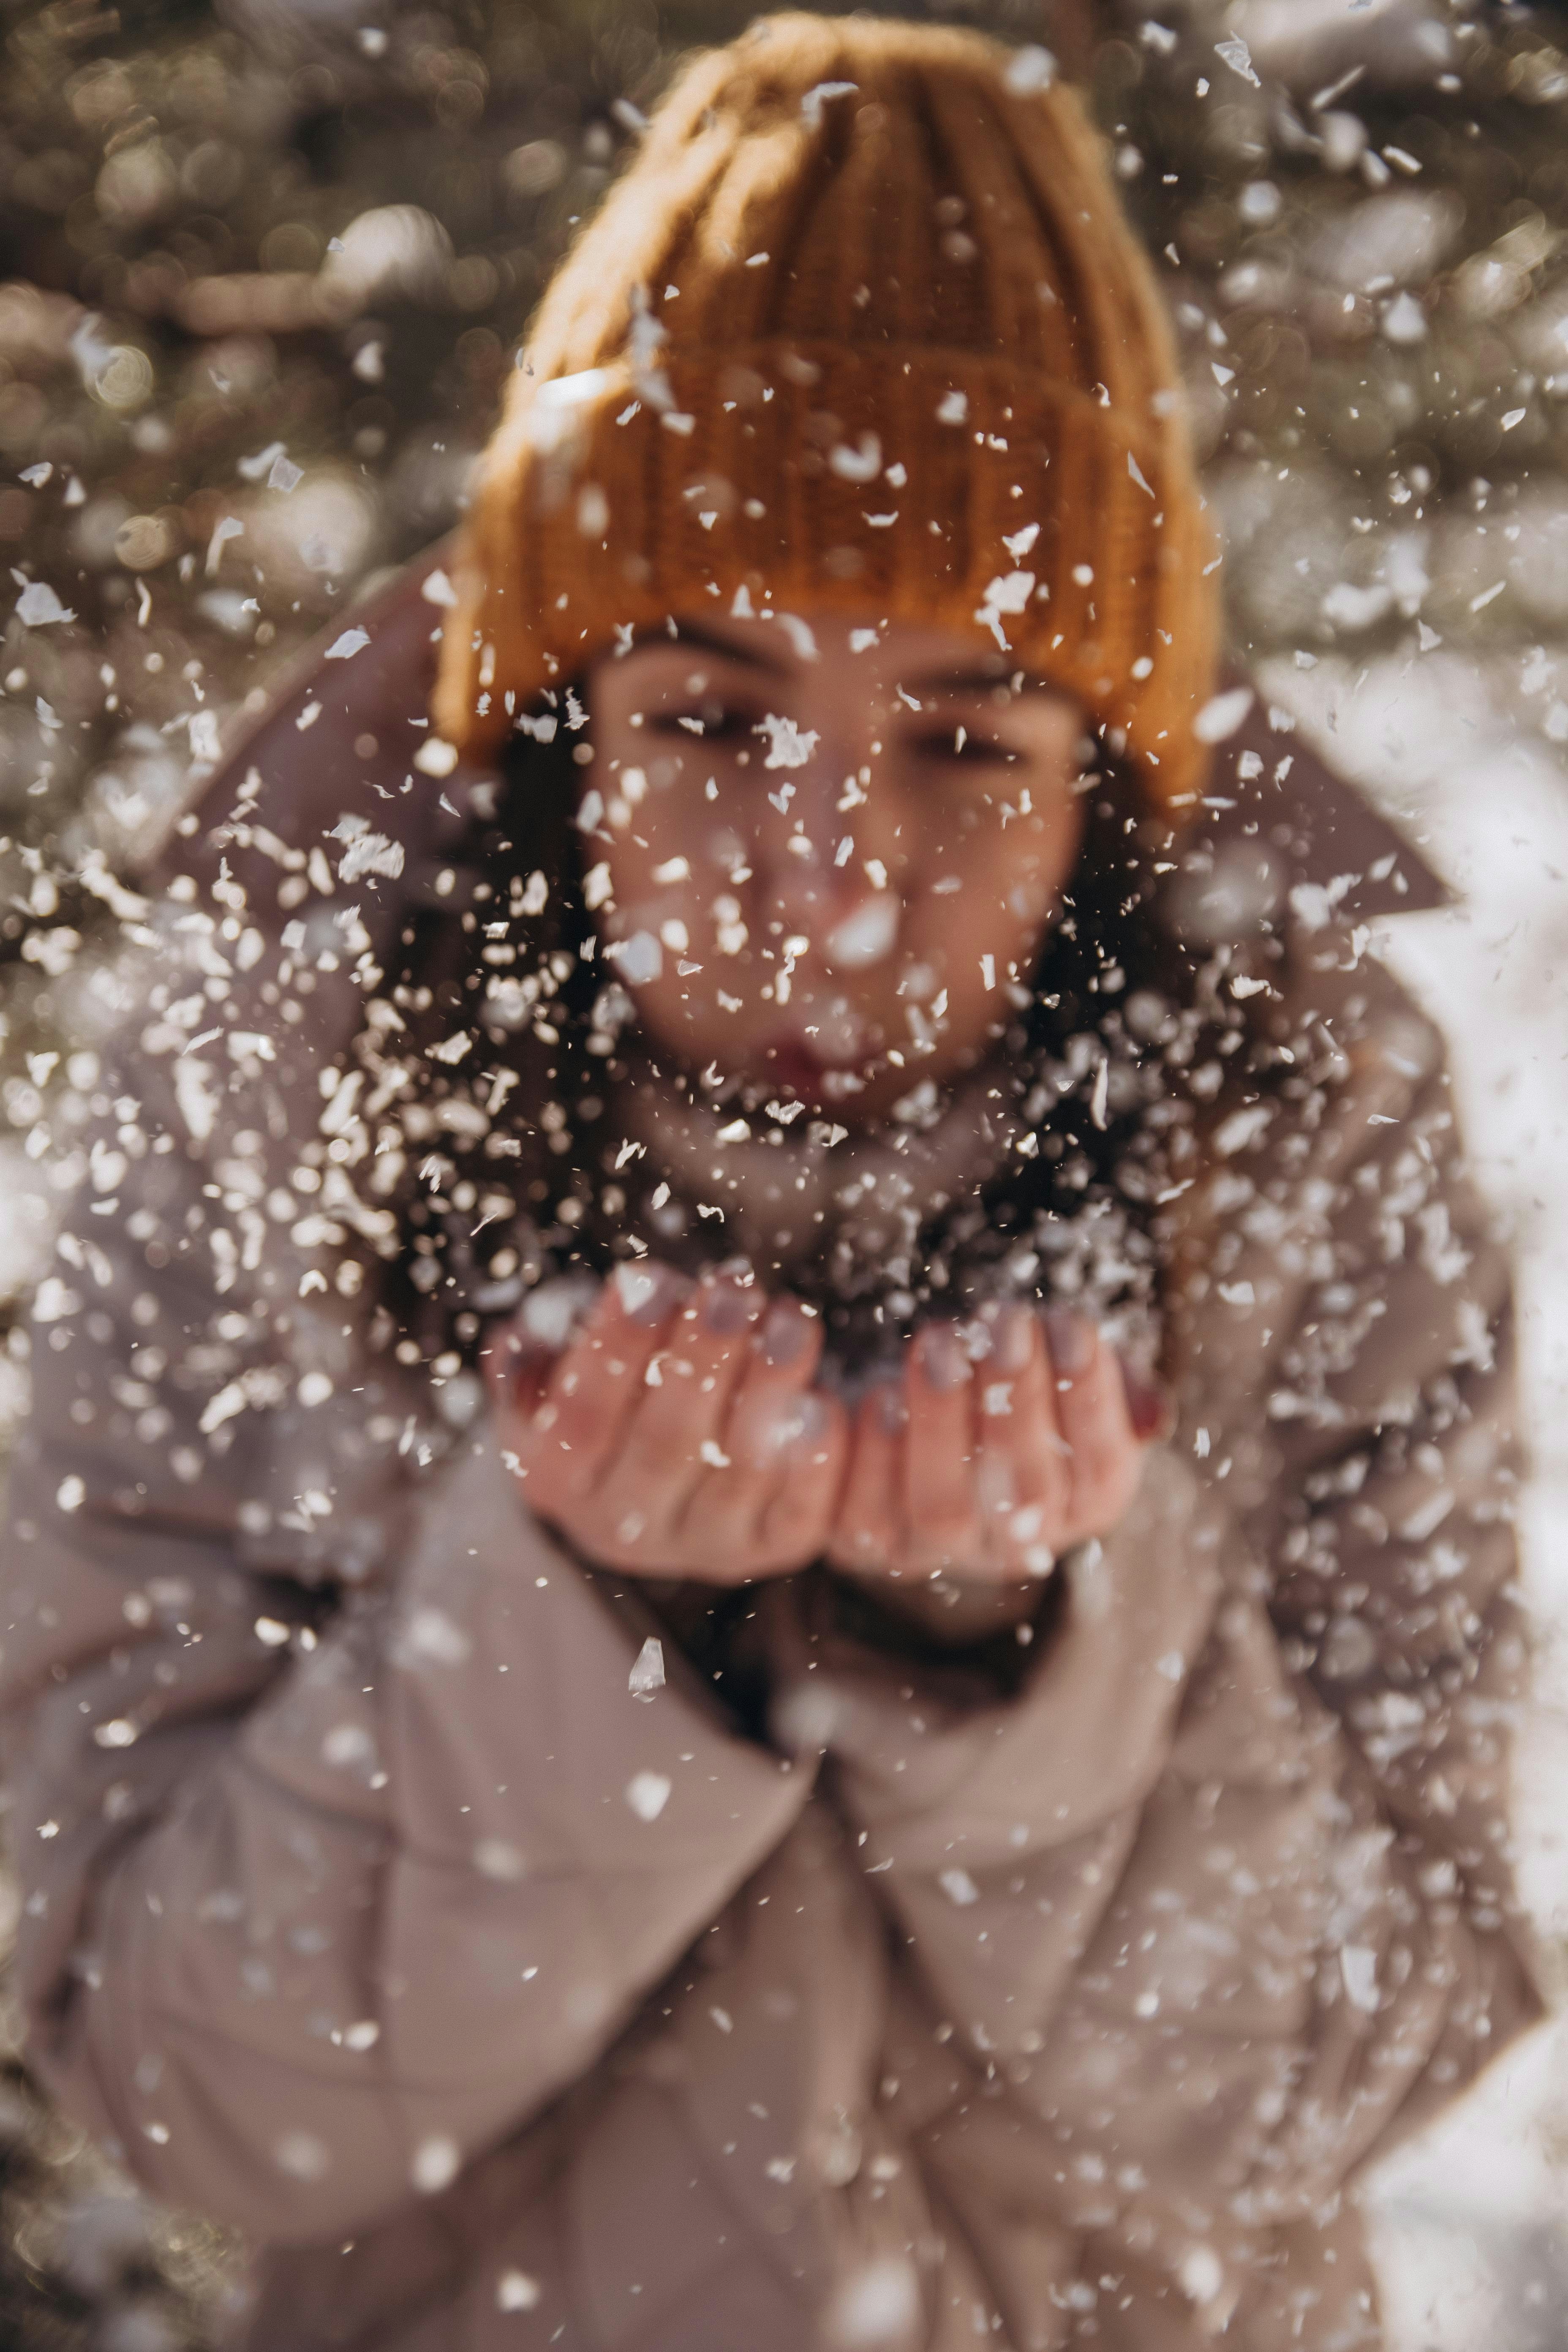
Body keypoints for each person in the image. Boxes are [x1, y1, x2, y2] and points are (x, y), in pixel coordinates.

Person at [0, 17, 1541, 2350]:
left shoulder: (1305, 1128)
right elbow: (175, 2090)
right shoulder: (268, 1096)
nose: (828, 874)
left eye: (964, 741)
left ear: (1111, 786)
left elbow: (1352, 2059)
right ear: (547, 731)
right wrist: (588, 1629)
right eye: (709, 717)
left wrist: (1019, 1670)